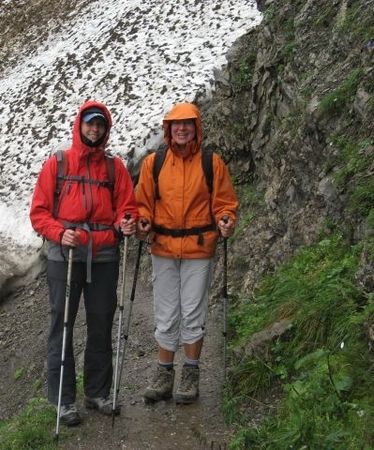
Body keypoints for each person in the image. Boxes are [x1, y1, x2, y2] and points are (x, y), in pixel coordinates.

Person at [29, 100, 138, 426]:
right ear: (80, 126)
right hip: (66, 256)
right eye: (90, 124)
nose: (94, 129)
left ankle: (97, 392)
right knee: (61, 326)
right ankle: (63, 400)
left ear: (106, 130)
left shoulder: (113, 168)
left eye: (100, 125)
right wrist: (59, 233)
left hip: (103, 255)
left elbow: (126, 206)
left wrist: (126, 222)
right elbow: (39, 213)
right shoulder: (58, 164)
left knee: (102, 323)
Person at [135, 102, 237, 404]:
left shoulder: (211, 163)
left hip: (199, 249)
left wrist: (226, 219)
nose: (182, 129)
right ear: (168, 129)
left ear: (197, 127)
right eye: (176, 124)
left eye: (188, 124)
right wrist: (143, 222)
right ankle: (164, 373)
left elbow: (225, 202)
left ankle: (190, 373)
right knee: (165, 315)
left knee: (193, 312)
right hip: (163, 248)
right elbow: (144, 204)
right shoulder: (153, 164)